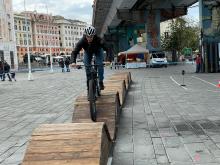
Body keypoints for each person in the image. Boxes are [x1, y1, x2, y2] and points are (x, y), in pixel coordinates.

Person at [70, 25, 108, 91]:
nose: (89, 38)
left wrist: (109, 60)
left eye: (91, 37)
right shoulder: (82, 41)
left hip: (98, 51)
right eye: (88, 36)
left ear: (94, 35)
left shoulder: (99, 39)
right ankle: (89, 88)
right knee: (87, 65)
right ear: (85, 35)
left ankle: (101, 82)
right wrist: (73, 62)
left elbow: (108, 49)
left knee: (100, 64)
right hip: (88, 52)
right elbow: (74, 52)